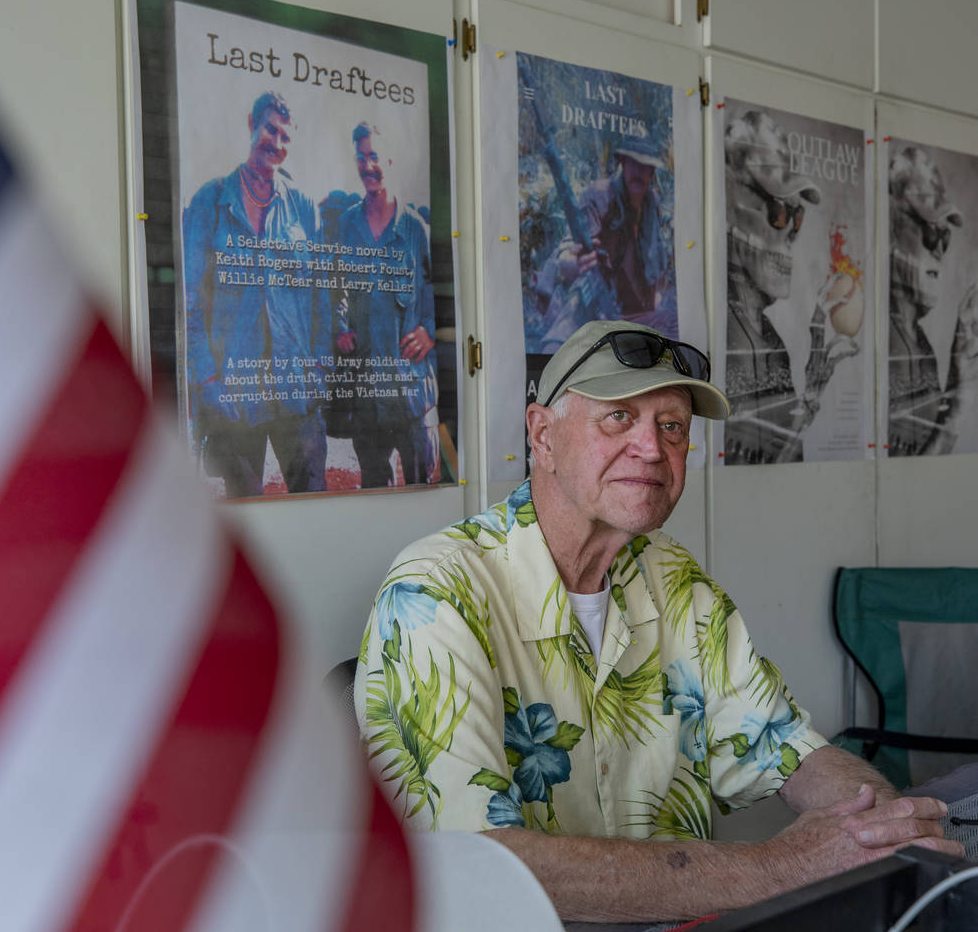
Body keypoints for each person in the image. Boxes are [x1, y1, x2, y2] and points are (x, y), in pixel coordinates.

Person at [355, 318, 961, 925]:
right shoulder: (435, 593)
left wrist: (888, 827)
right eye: (618, 417)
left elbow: (782, 745)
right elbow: (480, 862)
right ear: (542, 435)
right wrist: (782, 865)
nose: (651, 448)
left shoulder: (671, 576)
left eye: (671, 426)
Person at [182, 91, 332, 497]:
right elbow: (190, 303)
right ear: (251, 124)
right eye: (270, 129)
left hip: (297, 394)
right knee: (247, 512)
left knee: (314, 505)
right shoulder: (210, 201)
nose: (276, 143)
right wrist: (207, 378)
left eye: (286, 136)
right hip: (236, 394)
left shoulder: (303, 208)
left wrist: (320, 368)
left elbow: (322, 298)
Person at [723, 109, 858, 465]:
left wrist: (809, 400)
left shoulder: (770, 340)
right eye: (778, 210)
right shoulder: (721, 334)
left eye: (797, 217)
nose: (791, 232)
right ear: (728, 197)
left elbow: (776, 466)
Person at [331, 122, 440, 486]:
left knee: (422, 487)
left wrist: (429, 332)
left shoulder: (415, 229)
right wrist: (340, 328)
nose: (368, 165)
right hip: (367, 393)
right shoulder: (346, 226)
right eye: (361, 157)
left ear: (391, 160)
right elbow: (336, 289)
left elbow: (436, 295)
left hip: (410, 391)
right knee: (375, 489)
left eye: (375, 155)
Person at [534, 135, 675, 351]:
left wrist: (653, 300)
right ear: (623, 164)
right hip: (591, 294)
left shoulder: (651, 203)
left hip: (628, 310)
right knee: (558, 345)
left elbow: (654, 264)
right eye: (633, 164)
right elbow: (569, 251)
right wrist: (575, 263)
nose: (638, 172)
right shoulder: (600, 196)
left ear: (652, 172)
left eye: (645, 166)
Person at [887, 144, 978, 456]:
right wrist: (958, 401)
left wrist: (959, 383)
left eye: (945, 236)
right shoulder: (879, 332)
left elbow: (922, 465)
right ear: (891, 225)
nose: (939, 250)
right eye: (930, 232)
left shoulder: (921, 344)